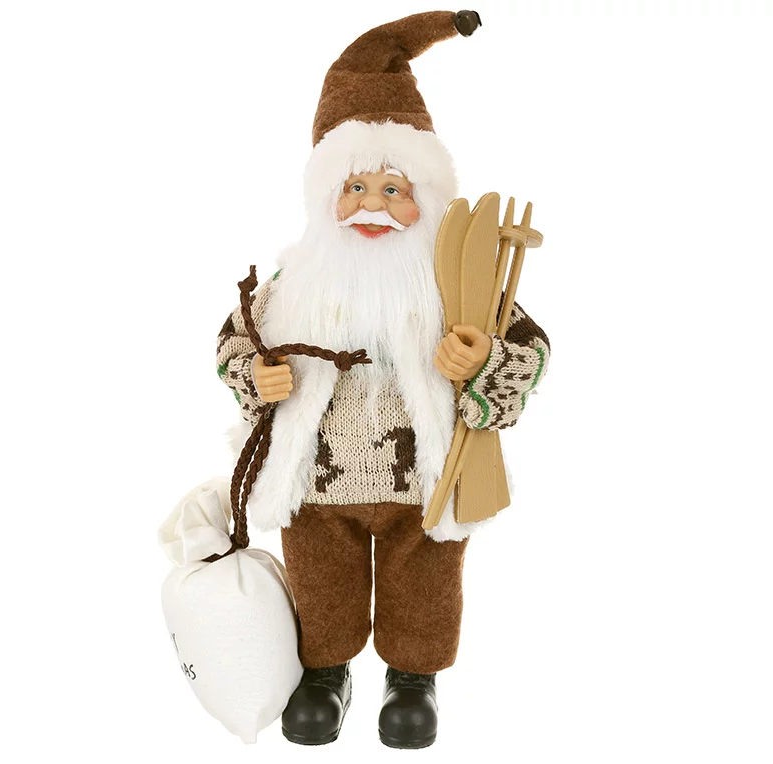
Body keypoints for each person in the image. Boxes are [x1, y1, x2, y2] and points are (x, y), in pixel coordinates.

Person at [214, 10, 550, 749]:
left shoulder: (461, 285)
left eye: (395, 188)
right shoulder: (291, 286)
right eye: (356, 185)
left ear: (428, 199)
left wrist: (482, 365)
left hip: (423, 480)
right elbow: (234, 344)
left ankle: (413, 678)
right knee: (320, 584)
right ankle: (325, 672)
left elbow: (528, 352)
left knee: (423, 584)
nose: (373, 205)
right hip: (317, 482)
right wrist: (256, 375)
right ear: (323, 196)